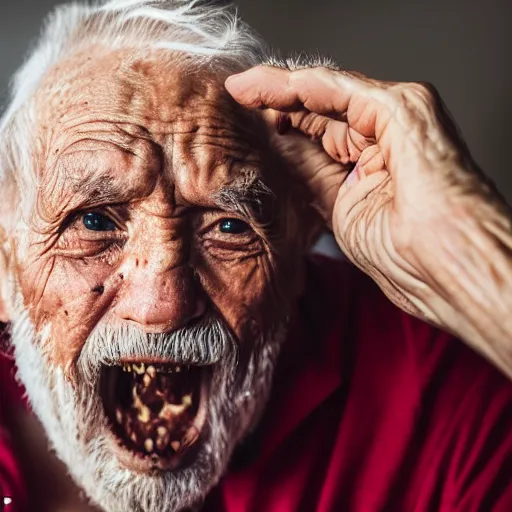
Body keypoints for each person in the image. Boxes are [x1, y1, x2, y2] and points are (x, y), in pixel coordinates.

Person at [0, 1, 511, 511]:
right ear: (5, 262)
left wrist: (464, 243)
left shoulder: (436, 391)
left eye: (227, 226)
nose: (163, 305)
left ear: (297, 250)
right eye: (95, 221)